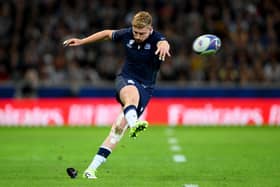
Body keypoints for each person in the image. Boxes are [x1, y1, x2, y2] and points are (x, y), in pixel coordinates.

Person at [63, 11, 171, 179]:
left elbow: (164, 44)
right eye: (135, 32)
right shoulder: (127, 34)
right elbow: (106, 33)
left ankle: (90, 170)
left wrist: (165, 45)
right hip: (126, 78)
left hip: (147, 88)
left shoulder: (158, 39)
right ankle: (135, 123)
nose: (137, 36)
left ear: (150, 29)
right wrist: (82, 41)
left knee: (118, 129)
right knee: (131, 96)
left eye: (141, 33)